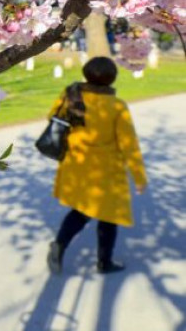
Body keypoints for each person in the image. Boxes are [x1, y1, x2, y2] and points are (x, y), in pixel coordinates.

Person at [46, 57, 147, 275]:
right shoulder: (117, 106)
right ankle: (104, 262)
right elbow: (129, 144)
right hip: (106, 170)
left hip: (76, 165)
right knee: (109, 216)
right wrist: (139, 177)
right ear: (112, 79)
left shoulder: (71, 95)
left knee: (81, 211)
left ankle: (60, 244)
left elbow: (52, 118)